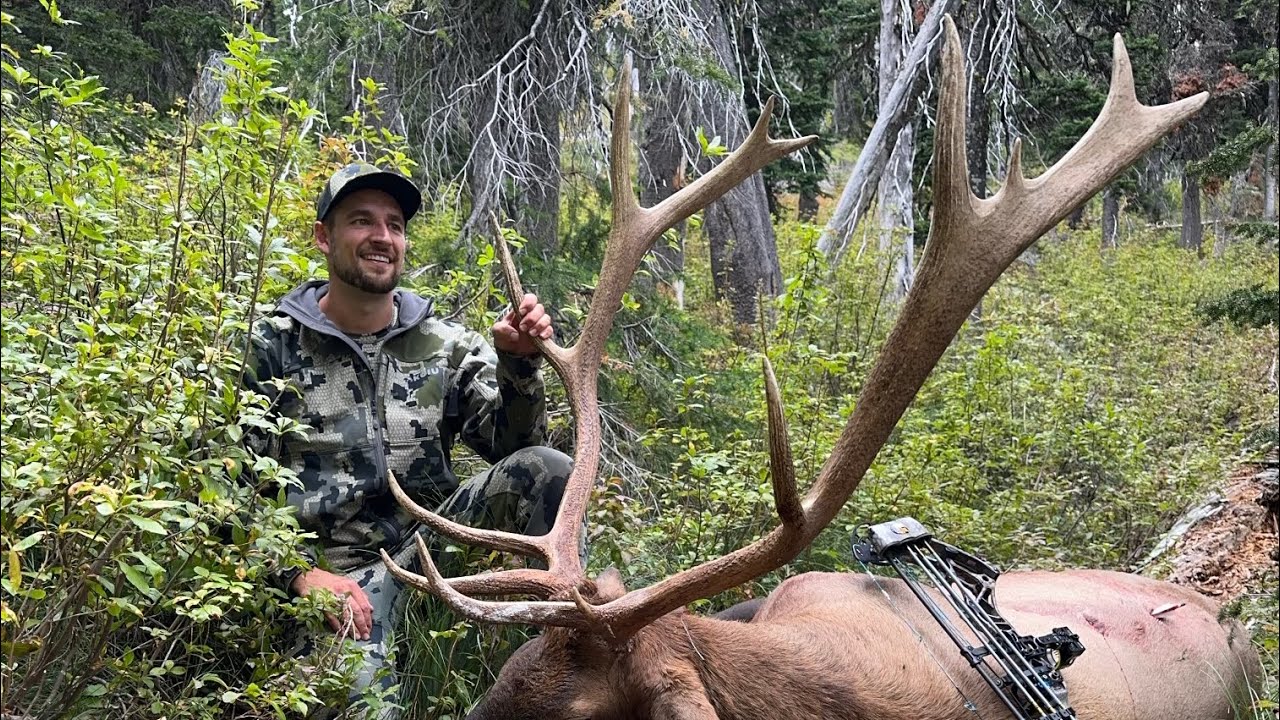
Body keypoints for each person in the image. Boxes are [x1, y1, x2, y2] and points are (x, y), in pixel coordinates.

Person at [242, 163, 572, 717]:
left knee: (547, 468)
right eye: (362, 221)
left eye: (394, 224)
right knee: (366, 705)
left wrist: (518, 364)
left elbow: (514, 446)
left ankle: (559, 658)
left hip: (429, 549)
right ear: (324, 236)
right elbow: (223, 490)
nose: (382, 237)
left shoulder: (442, 344)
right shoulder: (269, 349)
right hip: (336, 578)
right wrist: (299, 575)